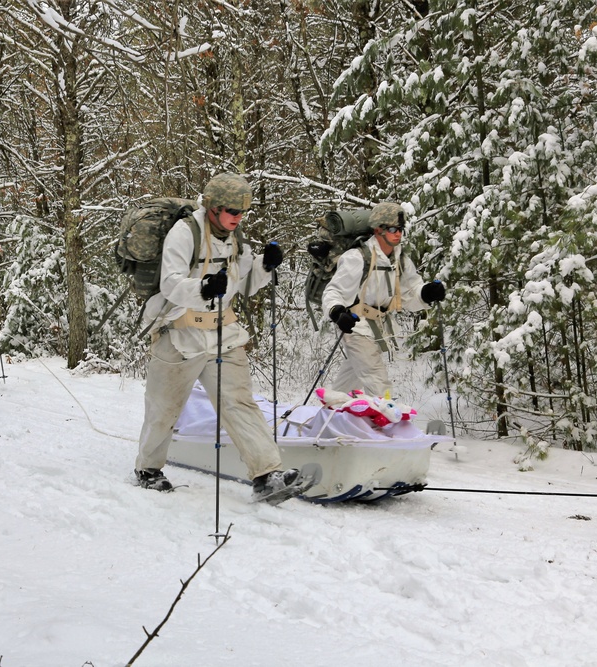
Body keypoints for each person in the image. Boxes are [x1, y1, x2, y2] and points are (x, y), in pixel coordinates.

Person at [134, 172, 299, 500]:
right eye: (233, 212)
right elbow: (170, 283)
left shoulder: (236, 240)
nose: (238, 218)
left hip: (223, 333)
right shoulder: (185, 234)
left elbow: (246, 286)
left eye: (242, 213)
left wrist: (266, 266)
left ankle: (267, 475)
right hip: (181, 332)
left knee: (239, 403)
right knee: (164, 407)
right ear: (212, 207)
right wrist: (203, 287)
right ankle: (148, 468)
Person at [321, 202, 446, 399]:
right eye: (393, 229)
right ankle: (387, 425)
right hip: (356, 326)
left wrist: (427, 293)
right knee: (378, 382)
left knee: (350, 379)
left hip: (378, 327)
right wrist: (337, 312)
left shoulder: (399, 259)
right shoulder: (357, 257)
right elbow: (333, 291)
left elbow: (410, 291)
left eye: (401, 229)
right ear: (378, 230)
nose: (398, 234)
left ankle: (330, 410)